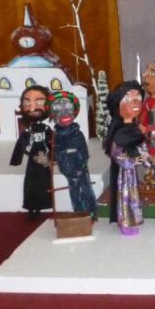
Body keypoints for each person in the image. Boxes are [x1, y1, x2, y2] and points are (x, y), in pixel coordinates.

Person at [103, 81, 148, 235]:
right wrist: (132, 161)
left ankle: (132, 219)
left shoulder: (135, 128)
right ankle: (125, 222)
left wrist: (145, 157)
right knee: (125, 195)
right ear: (117, 105)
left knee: (133, 194)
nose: (135, 103)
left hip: (131, 172)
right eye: (127, 99)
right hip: (123, 172)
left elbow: (140, 145)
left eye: (138, 98)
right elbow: (116, 153)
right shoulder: (118, 131)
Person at [49, 90, 97, 219]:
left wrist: (81, 168)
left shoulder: (78, 134)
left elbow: (84, 152)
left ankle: (91, 214)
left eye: (68, 109)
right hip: (68, 171)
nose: (64, 113)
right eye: (59, 110)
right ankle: (80, 215)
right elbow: (56, 155)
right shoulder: (55, 137)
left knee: (86, 190)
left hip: (81, 169)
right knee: (75, 193)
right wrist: (69, 172)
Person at [10, 85, 53, 220]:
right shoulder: (28, 131)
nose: (33, 107)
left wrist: (50, 156)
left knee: (43, 183)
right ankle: (31, 207)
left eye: (39, 102)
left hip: (43, 158)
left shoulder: (46, 129)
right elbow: (22, 146)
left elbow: (52, 143)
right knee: (31, 184)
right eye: (27, 102)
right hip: (33, 161)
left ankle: (40, 206)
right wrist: (31, 156)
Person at [139, 60, 155, 167]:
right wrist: (141, 126)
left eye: (151, 75)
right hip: (148, 138)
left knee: (154, 159)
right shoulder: (148, 101)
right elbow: (143, 116)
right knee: (148, 159)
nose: (146, 79)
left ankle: (153, 173)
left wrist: (147, 129)